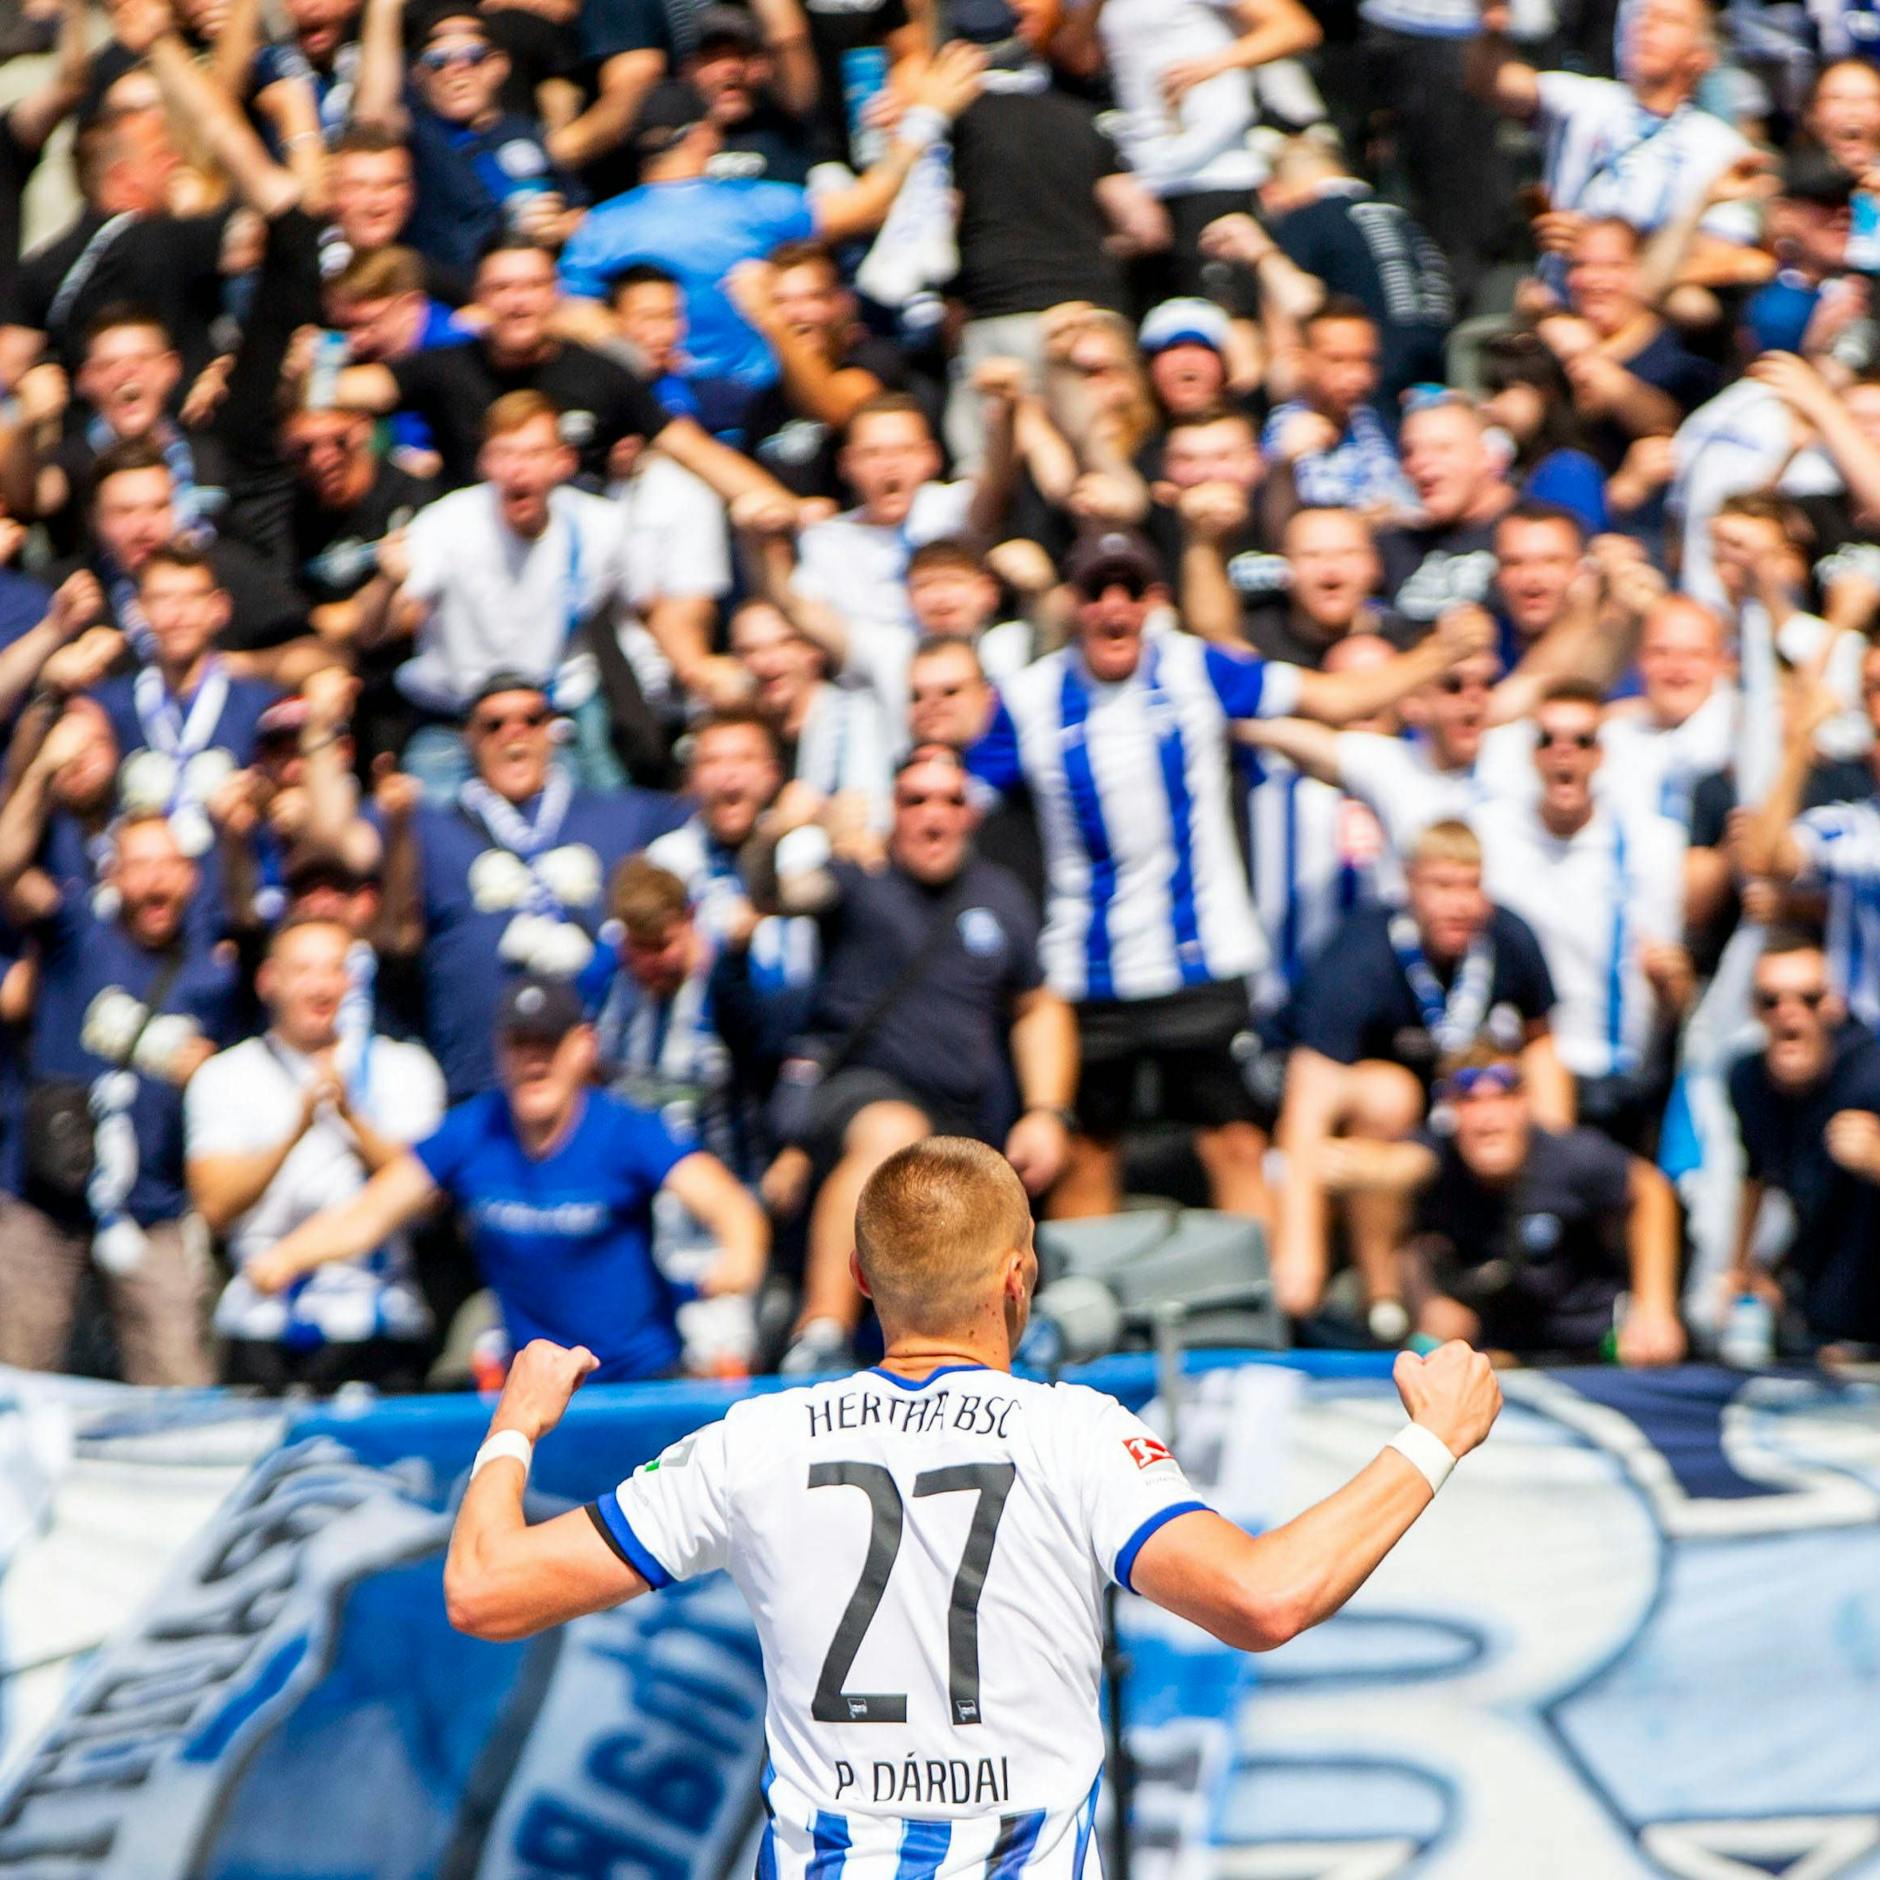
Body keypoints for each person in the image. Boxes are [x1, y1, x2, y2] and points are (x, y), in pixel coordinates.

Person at [439, 1135, 1504, 1880]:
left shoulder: (752, 1441)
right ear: (1017, 1275)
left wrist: (516, 1424)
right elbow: (1267, 1595)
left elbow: (485, 1588)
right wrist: (1431, 1436)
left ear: (857, 1276)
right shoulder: (1072, 1433)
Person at [968, 528, 1492, 1222]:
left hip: (1204, 959)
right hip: (1088, 971)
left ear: (1156, 602)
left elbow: (1334, 700)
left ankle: (1257, 1319)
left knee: (1238, 1143)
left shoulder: (1197, 669)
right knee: (1089, 1153)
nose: (1114, 607)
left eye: (1132, 590)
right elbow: (955, 794)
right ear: (1074, 603)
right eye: (1098, 591)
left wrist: (1435, 656)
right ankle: (1090, 1319)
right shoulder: (1028, 699)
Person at [249, 972, 769, 1382]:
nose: (533, 1060)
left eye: (548, 1043)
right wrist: (287, 1257)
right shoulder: (473, 1130)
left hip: (641, 1376)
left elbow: (729, 1205)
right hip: (538, 1386)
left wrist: (740, 1259)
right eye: (520, 1044)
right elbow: (369, 1216)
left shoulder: (626, 1128)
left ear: (582, 1047)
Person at [752, 744, 1077, 1368]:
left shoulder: (1001, 895)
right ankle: (818, 1335)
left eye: (951, 800)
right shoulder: (856, 877)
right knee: (894, 1133)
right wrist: (790, 828)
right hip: (859, 1096)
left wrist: (1047, 1111)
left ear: (972, 814)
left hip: (964, 1117)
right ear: (892, 811)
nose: (934, 816)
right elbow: (770, 892)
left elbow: (1038, 1007)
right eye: (916, 800)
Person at [1270, 819, 1569, 1328]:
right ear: (1409, 885)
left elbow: (1541, 1045)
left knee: (1506, 1100)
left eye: (1470, 885)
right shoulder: (1360, 953)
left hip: (1457, 1126)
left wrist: (1556, 1157)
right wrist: (1299, 1254)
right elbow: (1307, 1099)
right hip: (1371, 1134)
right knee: (1391, 1096)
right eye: (1441, 886)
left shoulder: (1508, 938)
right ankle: (1378, 1294)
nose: (1459, 904)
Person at [0, 793, 239, 1386]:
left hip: (154, 1208)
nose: (155, 880)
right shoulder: (77, 935)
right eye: (140, 864)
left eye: (168, 864)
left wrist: (207, 1074)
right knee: (15, 1385)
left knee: (178, 1383)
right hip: (46, 1201)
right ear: (114, 876)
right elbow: (6, 867)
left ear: (190, 875)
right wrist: (42, 763)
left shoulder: (214, 971)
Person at [185, 913, 445, 1390]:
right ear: (269, 981)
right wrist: (295, 1130)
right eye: (304, 971)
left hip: (377, 1321)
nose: (321, 987)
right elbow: (215, 1206)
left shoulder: (402, 1067)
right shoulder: (223, 1076)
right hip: (262, 1321)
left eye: (334, 969)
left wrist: (353, 1121)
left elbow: (430, 1198)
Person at [1325, 1049, 1688, 1363]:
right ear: (1449, 1111)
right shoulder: (1436, 1161)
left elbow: (1650, 1190)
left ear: (1524, 1104)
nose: (1487, 1118)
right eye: (1470, 1101)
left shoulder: (1568, 1157)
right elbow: (1389, 1180)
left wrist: (1654, 1308)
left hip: (1588, 1348)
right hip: (1489, 1352)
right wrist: (1425, 1300)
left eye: (1502, 1097)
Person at [1475, 682, 1692, 1150]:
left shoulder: (1650, 845)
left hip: (1610, 1072)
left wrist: (1672, 982)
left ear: (1601, 755)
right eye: (1547, 740)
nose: (1564, 754)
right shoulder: (1490, 834)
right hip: (1513, 1069)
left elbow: (1668, 979)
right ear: (1530, 755)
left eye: (1582, 740)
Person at [1726, 929, 1880, 1355]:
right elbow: (1754, 1172)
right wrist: (1742, 1269)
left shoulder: (1872, 1073)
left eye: (1808, 999)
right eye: (1771, 1000)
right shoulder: (1746, 1080)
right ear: (1753, 1009)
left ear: (1832, 1005)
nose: (1789, 1015)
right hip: (1817, 1306)